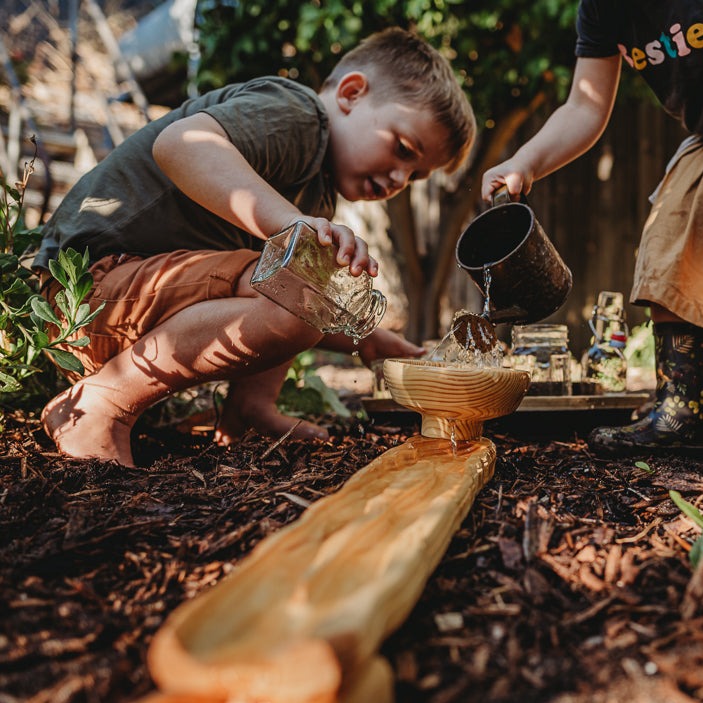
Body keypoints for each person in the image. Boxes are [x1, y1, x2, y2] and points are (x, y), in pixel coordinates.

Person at [33, 27, 476, 467]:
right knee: (300, 288)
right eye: (403, 149)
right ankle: (103, 403)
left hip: (111, 303)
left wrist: (373, 341)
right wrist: (291, 224)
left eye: (416, 176)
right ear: (352, 93)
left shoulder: (317, 189)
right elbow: (180, 144)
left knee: (304, 281)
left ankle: (249, 409)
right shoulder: (299, 116)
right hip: (80, 294)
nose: (401, 179)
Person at [482, 2, 703, 456]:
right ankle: (683, 413)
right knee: (671, 232)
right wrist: (526, 161)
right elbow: (585, 103)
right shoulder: (604, 9)